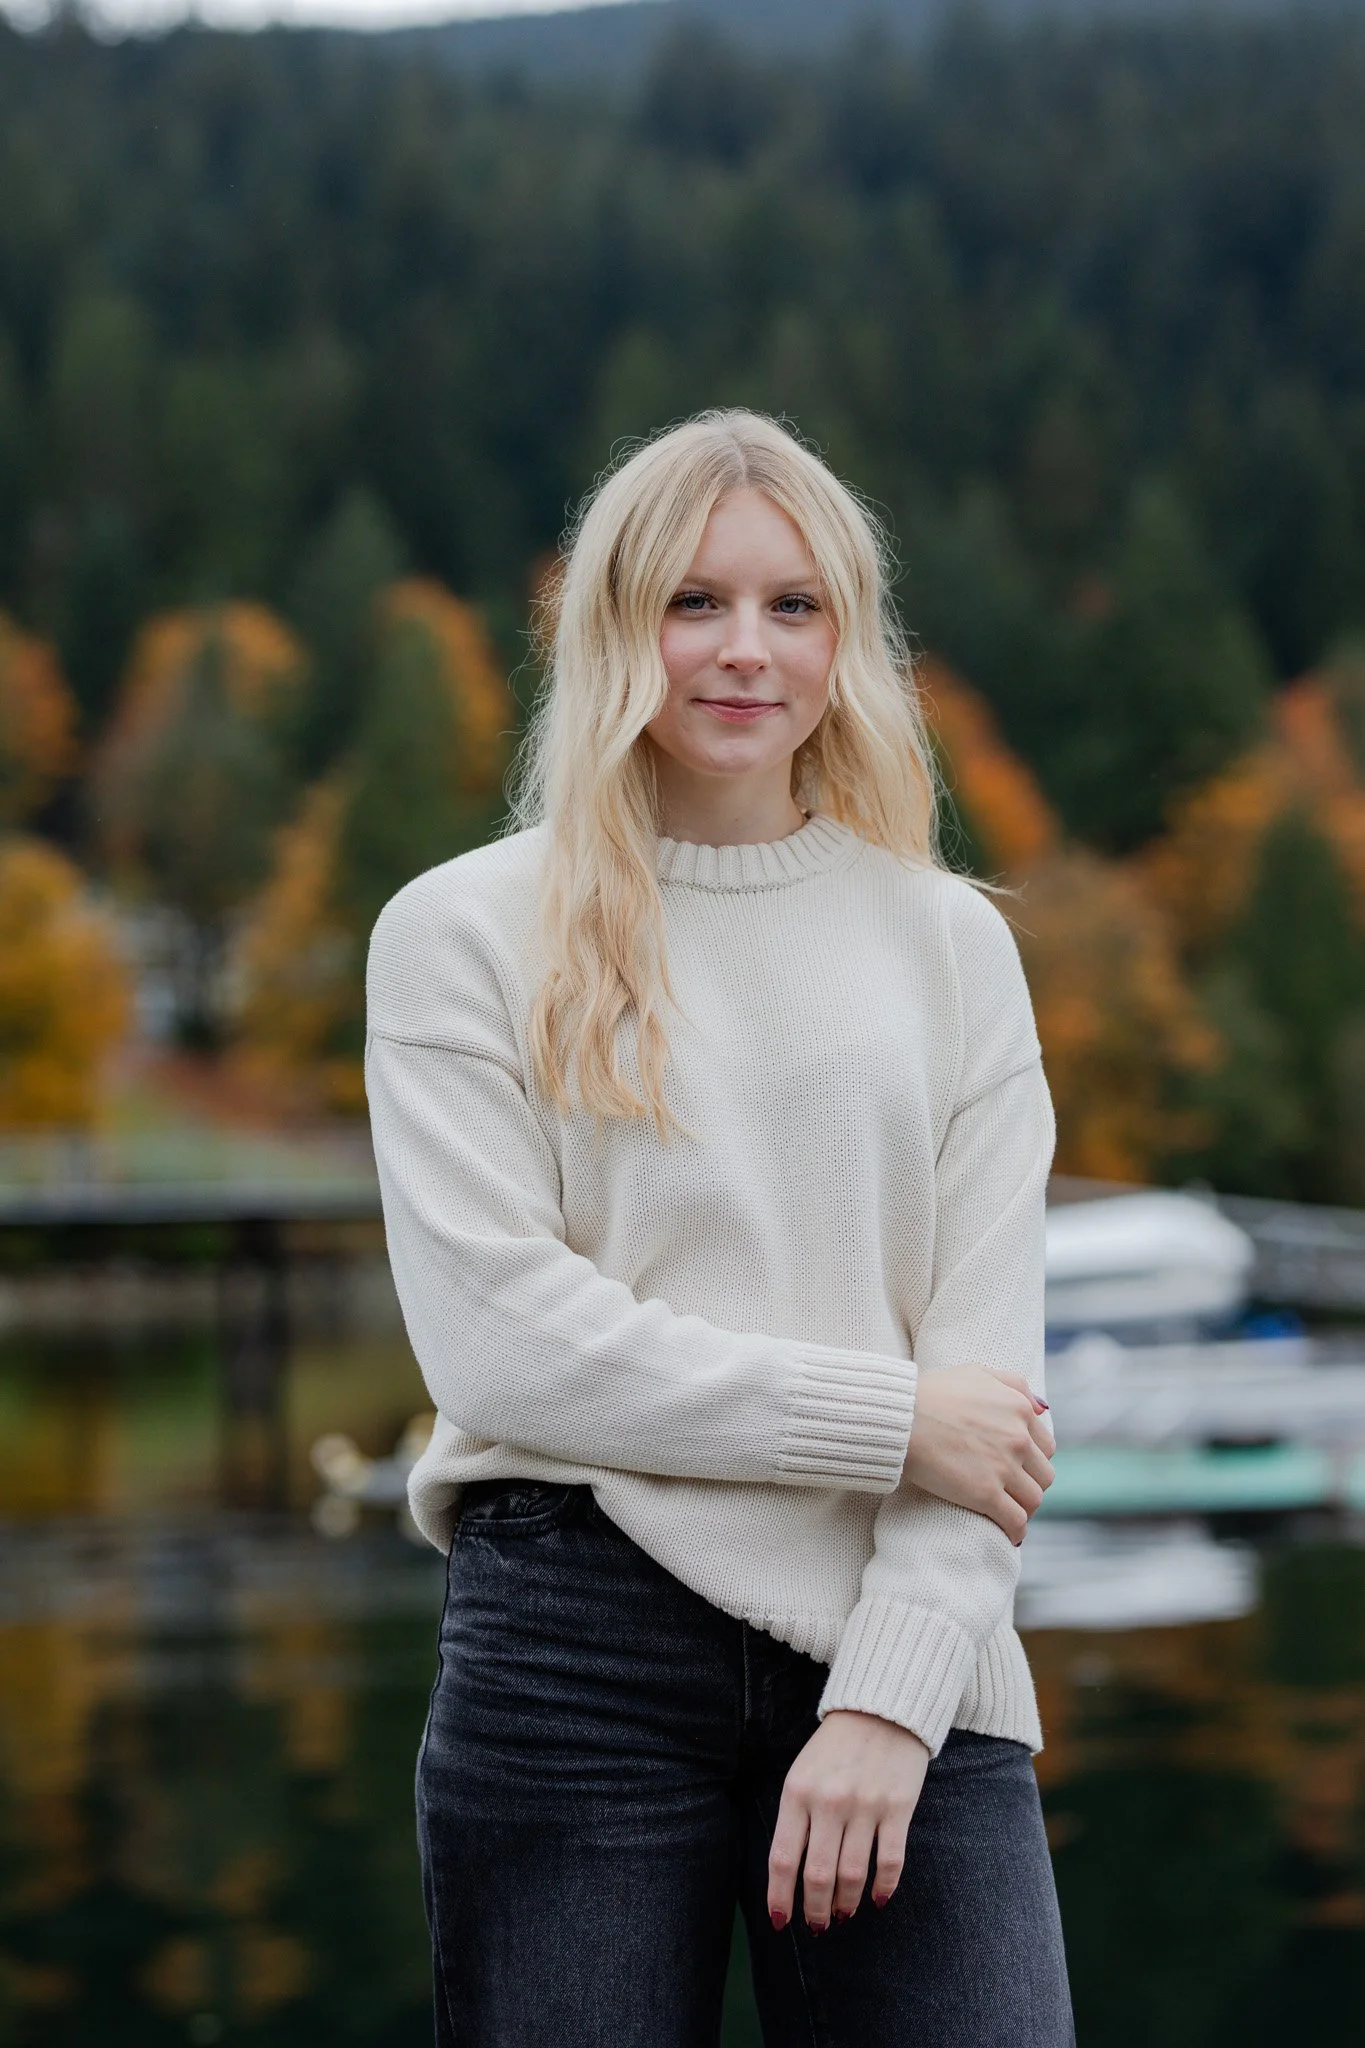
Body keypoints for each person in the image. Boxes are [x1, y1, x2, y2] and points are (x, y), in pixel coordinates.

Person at [365, 410, 1074, 2046]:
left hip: (912, 1647)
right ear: (615, 628)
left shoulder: (954, 947)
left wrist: (890, 1702)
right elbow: (502, 1341)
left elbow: (1000, 1407)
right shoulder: (463, 933)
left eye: (793, 605)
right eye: (694, 603)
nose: (744, 650)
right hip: (577, 1652)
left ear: (851, 639)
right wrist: (892, 1420)